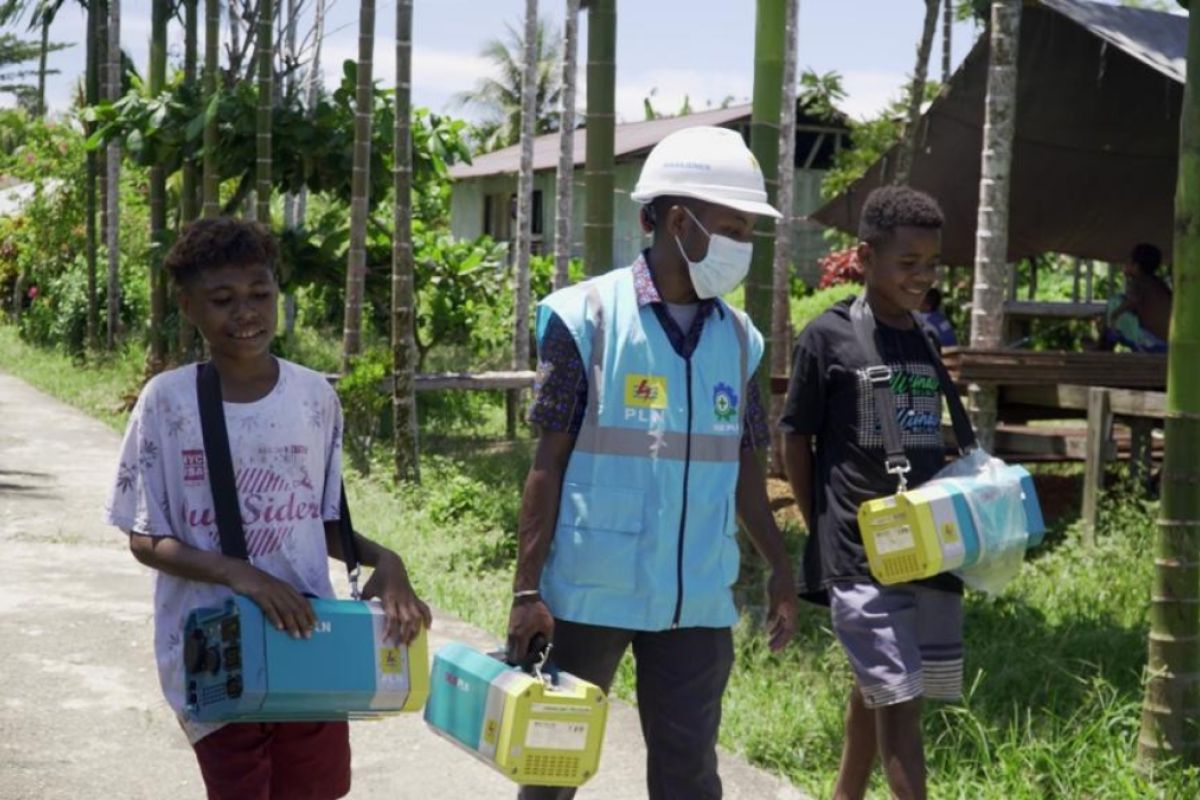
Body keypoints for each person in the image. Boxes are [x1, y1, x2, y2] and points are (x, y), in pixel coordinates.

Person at [506, 125, 798, 800]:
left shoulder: (740, 339)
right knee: (551, 771)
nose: (742, 246)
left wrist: (781, 569)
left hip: (695, 599)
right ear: (677, 220)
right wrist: (527, 590)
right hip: (589, 592)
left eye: (749, 231)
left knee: (689, 775)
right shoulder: (585, 318)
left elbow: (747, 470)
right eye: (733, 227)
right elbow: (546, 464)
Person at [104, 217, 431, 800]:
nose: (246, 312)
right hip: (213, 650)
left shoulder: (314, 397)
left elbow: (326, 521)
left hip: (310, 640)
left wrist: (391, 562)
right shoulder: (168, 402)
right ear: (188, 307)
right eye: (222, 300)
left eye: (260, 294)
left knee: (316, 791)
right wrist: (240, 573)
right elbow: (144, 537)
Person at [781, 186, 962, 800]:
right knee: (903, 701)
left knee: (879, 686)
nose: (923, 277)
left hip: (925, 550)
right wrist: (823, 529)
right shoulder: (825, 336)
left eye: (931, 264)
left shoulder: (923, 337)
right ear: (865, 257)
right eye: (908, 264)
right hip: (858, 555)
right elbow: (794, 441)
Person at [1099, 242, 1171, 353]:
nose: (1124, 265)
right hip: (1168, 344)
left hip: (1153, 344)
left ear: (1136, 266)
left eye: (1127, 261)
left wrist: (1113, 316)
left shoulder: (1139, 282)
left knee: (1114, 303)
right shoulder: (1158, 283)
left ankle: (1102, 349)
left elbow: (1133, 301)